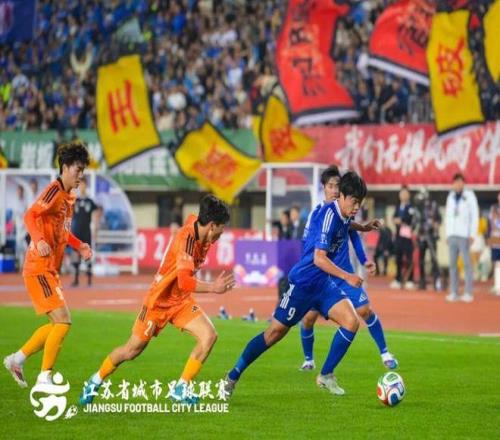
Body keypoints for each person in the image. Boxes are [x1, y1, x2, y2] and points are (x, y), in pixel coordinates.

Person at [224, 172, 371, 398]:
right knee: (274, 333)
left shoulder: (344, 214)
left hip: (323, 285)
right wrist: (347, 276)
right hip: (303, 284)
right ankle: (233, 375)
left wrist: (364, 227)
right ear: (341, 196)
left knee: (351, 322)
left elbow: (347, 224)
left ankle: (326, 375)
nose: (357, 207)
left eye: (359, 202)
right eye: (354, 201)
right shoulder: (328, 216)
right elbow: (319, 259)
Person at [79, 195, 235, 405]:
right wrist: (213, 287)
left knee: (209, 335)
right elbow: (185, 281)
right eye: (221, 229)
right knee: (131, 351)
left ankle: (181, 388)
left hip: (180, 301)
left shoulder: (202, 232)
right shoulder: (187, 239)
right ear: (212, 225)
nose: (221, 234)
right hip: (158, 302)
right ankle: (95, 380)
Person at [3, 141, 92, 387]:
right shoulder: (54, 190)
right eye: (77, 170)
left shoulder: (69, 198)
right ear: (65, 167)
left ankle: (17, 360)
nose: (80, 175)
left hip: (49, 269)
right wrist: (39, 239)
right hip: (38, 267)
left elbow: (63, 233)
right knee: (63, 321)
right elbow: (30, 215)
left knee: (57, 324)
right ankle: (44, 378)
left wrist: (79, 245)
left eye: (83, 171)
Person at [298, 166, 398, 372]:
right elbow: (308, 247)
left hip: (344, 273)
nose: (334, 190)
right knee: (308, 318)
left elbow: (351, 231)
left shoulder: (345, 212)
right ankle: (309, 360)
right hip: (321, 276)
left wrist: (364, 259)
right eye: (331, 186)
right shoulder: (317, 215)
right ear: (324, 188)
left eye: (337, 186)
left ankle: (385, 352)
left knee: (364, 310)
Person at [445, 173, 479, 303]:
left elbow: (474, 215)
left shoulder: (469, 196)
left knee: (467, 264)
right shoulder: (450, 196)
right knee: (452, 264)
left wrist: (472, 234)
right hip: (452, 234)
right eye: (456, 182)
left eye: (460, 182)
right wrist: (447, 234)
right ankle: (454, 292)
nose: (458, 184)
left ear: (464, 183)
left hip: (464, 234)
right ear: (453, 184)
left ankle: (468, 292)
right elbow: (448, 216)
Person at [71, 176, 102, 287]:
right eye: (80, 184)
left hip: (86, 231)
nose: (82, 186)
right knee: (76, 254)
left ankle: (89, 279)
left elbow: (96, 214)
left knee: (87, 254)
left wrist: (95, 229)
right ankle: (76, 279)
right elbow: (70, 215)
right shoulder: (75, 200)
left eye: (83, 184)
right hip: (76, 231)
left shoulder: (90, 201)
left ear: (86, 186)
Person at [390, 185, 416, 290]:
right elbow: (393, 217)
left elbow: (410, 219)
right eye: (402, 193)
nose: (403, 195)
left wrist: (400, 220)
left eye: (406, 193)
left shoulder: (411, 207)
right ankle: (398, 279)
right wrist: (395, 220)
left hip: (408, 236)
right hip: (399, 236)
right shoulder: (397, 206)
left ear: (409, 195)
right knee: (398, 258)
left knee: (409, 258)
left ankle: (410, 280)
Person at [489, 192, 500, 295]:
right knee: (496, 261)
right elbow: (492, 222)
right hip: (496, 238)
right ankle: (497, 285)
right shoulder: (494, 208)